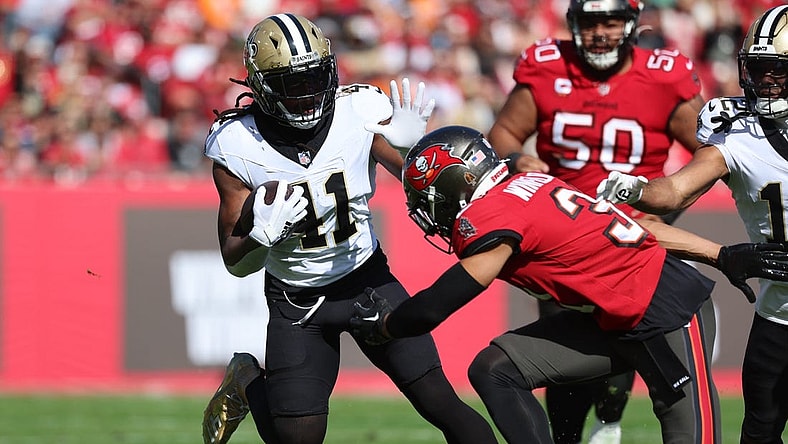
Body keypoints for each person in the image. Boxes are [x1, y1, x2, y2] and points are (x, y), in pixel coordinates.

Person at [349, 125, 788, 444]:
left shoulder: (491, 215)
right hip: (611, 319)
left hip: (667, 315)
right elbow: (629, 226)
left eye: (432, 198)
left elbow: (435, 306)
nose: (431, 211)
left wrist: (386, 325)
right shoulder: (525, 184)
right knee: (495, 369)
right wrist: (719, 254)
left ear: (461, 185)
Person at [200, 14, 497, 444]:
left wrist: (413, 148)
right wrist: (260, 239)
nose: (305, 95)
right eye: (290, 83)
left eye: (313, 78)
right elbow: (235, 261)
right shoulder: (236, 144)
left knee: (443, 404)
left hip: (367, 281)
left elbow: (419, 182)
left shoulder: (358, 110)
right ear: (262, 86)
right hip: (296, 302)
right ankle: (249, 382)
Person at [486, 1, 706, 441]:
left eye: (610, 21)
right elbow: (504, 132)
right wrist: (518, 158)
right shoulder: (548, 67)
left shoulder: (664, 75)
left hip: (629, 235)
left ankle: (610, 418)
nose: (600, 33)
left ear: (632, 24)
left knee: (629, 330)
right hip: (561, 235)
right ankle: (568, 433)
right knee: (561, 341)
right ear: (573, 25)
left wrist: (665, 204)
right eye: (589, 23)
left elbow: (713, 153)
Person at [597, 5, 788, 443]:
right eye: (757, 69)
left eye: (776, 69)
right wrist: (635, 188)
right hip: (777, 313)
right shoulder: (739, 132)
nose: (764, 81)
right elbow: (677, 190)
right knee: (759, 433)